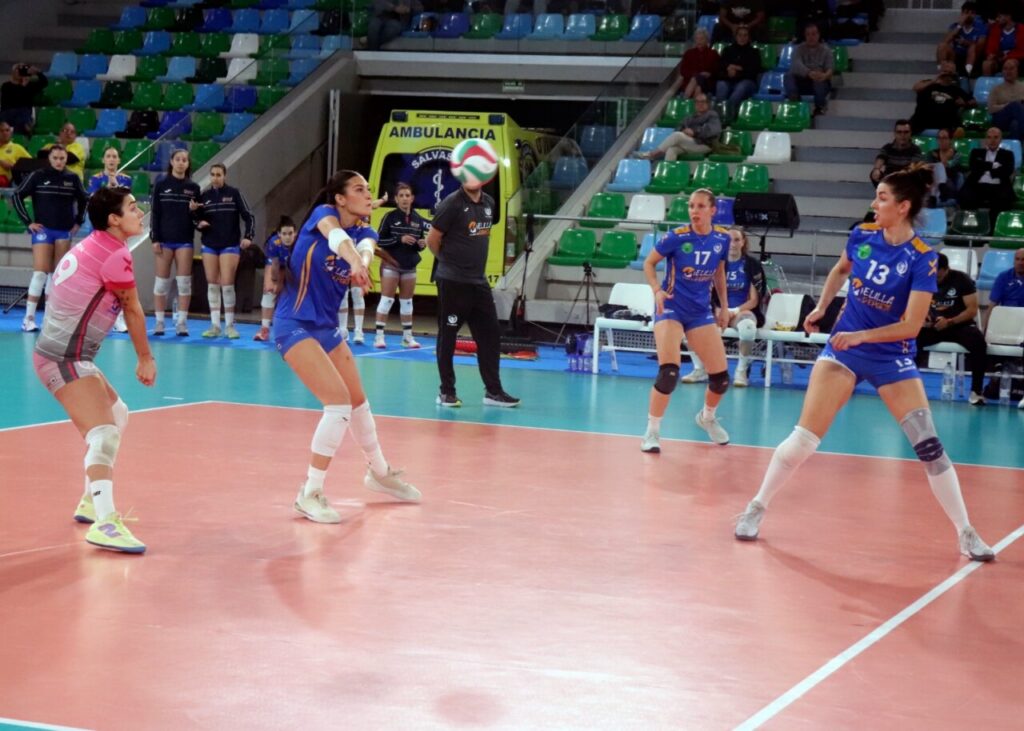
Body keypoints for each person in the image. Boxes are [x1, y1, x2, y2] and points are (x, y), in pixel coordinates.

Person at [734, 164, 995, 562]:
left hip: (891, 356)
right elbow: (841, 270)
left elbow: (910, 325)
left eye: (883, 199)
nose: (874, 204)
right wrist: (822, 307)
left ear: (903, 207)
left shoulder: (922, 259)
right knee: (803, 439)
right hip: (844, 353)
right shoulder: (863, 235)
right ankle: (757, 506)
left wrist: (861, 334)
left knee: (930, 447)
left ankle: (966, 532)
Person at [273, 170, 420, 523]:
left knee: (358, 402)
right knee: (337, 403)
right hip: (294, 323)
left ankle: (379, 472)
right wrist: (353, 260)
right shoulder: (322, 216)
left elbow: (365, 248)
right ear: (339, 198)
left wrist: (363, 263)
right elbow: (336, 238)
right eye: (358, 190)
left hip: (325, 327)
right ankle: (309, 492)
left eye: (369, 190)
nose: (368, 195)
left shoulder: (365, 231)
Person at [33, 186, 155, 554]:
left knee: (117, 413)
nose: (140, 213)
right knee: (103, 433)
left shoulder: (90, 244)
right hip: (63, 357)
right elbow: (132, 309)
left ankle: (89, 500)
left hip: (68, 353)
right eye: (133, 208)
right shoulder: (115, 255)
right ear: (114, 220)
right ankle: (105, 522)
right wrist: (145, 358)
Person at [640, 188, 733, 452]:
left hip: (700, 311)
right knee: (669, 373)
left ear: (713, 210)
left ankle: (707, 418)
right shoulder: (677, 237)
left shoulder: (722, 239)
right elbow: (649, 263)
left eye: (701, 206)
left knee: (721, 379)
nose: (694, 211)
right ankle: (652, 432)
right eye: (691, 206)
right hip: (670, 307)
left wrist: (724, 308)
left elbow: (718, 273)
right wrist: (657, 290)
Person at [428, 174, 519, 408]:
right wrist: (448, 262)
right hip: (452, 282)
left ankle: (493, 392)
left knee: (490, 336)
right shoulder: (451, 203)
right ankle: (446, 392)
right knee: (448, 336)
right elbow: (432, 239)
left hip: (478, 283)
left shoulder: (489, 203)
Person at [12, 145, 89, 332]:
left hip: (64, 231)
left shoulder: (72, 178)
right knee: (40, 273)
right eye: (55, 158)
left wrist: (78, 221)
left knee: (56, 276)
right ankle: (28, 318)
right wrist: (28, 222)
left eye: (62, 158)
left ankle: (49, 318)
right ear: (50, 158)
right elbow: (17, 195)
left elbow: (84, 199)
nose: (59, 161)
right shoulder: (38, 176)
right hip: (43, 231)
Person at [915, 253, 989, 404]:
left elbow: (972, 310)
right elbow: (918, 303)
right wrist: (925, 318)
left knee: (979, 343)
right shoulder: (923, 277)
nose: (934, 276)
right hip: (934, 326)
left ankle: (976, 392)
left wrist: (949, 321)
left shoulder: (962, 280)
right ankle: (909, 388)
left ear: (945, 269)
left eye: (937, 273)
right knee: (910, 340)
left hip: (959, 325)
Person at [193, 163, 254, 339]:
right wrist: (198, 221)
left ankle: (229, 326)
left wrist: (248, 236)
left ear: (224, 176)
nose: (215, 178)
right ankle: (215, 325)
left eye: (219, 174)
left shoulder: (234, 193)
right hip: (209, 244)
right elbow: (196, 219)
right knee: (212, 285)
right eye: (212, 174)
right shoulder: (204, 196)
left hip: (230, 244)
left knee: (227, 285)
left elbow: (248, 216)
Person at [151, 148, 201, 337]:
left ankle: (181, 322)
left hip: (185, 241)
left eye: (184, 160)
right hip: (164, 240)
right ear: (172, 161)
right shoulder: (161, 184)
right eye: (178, 159)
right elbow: (155, 213)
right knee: (161, 284)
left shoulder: (193, 188)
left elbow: (198, 217)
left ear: (188, 164)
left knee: (184, 283)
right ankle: (159, 322)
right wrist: (155, 239)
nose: (181, 162)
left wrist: (195, 212)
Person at [374, 182, 428, 349]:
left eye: (407, 195)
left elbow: (419, 243)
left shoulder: (418, 219)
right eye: (401, 196)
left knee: (407, 302)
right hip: (391, 264)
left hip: (409, 266)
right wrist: (399, 239)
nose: (405, 199)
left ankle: (407, 337)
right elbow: (378, 240)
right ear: (396, 199)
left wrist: (422, 244)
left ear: (412, 198)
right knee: (387, 300)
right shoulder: (389, 217)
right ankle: (379, 337)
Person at [711, 227, 765, 388]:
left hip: (741, 311)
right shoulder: (714, 263)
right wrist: (717, 311)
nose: (732, 244)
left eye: (736, 240)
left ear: (743, 242)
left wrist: (733, 312)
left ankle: (741, 370)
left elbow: (754, 300)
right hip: (718, 312)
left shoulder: (751, 265)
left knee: (748, 327)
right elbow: (705, 293)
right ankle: (700, 369)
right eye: (729, 240)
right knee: (690, 325)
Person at [986, 246, 1024, 408]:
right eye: (1017, 259)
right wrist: (986, 330)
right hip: (1005, 327)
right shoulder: (1003, 277)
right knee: (982, 341)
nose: (1020, 263)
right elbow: (992, 306)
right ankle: (994, 380)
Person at [636, 94, 722, 161]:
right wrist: (684, 131)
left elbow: (713, 130)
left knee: (677, 135)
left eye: (703, 102)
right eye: (697, 102)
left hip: (704, 145)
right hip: (689, 143)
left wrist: (694, 132)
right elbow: (679, 127)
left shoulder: (712, 115)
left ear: (708, 103)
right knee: (671, 150)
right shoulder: (690, 117)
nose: (700, 104)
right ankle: (668, 175)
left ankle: (652, 155)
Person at [254, 215, 297, 342]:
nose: (288, 237)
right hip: (277, 265)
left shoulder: (301, 242)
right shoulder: (274, 243)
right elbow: (274, 266)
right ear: (279, 234)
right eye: (284, 234)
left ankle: (295, 329)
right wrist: (275, 283)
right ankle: (264, 329)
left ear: (295, 233)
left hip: (294, 267)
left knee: (296, 294)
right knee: (269, 291)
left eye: (290, 233)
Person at [958, 126, 1015, 218]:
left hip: (998, 186)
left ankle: (993, 227)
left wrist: (983, 165)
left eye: (996, 137)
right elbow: (974, 168)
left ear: (1001, 139)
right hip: (977, 185)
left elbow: (1007, 171)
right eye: (989, 137)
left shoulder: (1007, 154)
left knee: (1004, 198)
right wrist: (993, 165)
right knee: (965, 195)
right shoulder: (976, 152)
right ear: (985, 139)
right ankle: (972, 225)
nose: (992, 140)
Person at [909, 60, 975, 135]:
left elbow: (973, 102)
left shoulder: (956, 90)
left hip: (945, 126)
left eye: (950, 73)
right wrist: (934, 81)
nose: (947, 75)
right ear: (940, 71)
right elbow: (916, 88)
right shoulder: (929, 84)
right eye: (945, 71)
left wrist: (964, 103)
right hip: (923, 124)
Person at [785, 22, 834, 116]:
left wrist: (824, 75)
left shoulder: (826, 50)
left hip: (820, 81)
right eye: (808, 34)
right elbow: (796, 64)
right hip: (803, 80)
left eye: (814, 34)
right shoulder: (799, 49)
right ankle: (795, 104)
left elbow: (830, 68)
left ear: (819, 35)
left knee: (818, 80)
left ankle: (819, 108)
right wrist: (809, 73)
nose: (811, 37)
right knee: (788, 75)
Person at [715, 26, 761, 111]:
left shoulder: (754, 52)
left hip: (747, 81)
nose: (742, 38)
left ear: (749, 37)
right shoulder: (727, 50)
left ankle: (729, 114)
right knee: (721, 85)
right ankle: (719, 114)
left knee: (741, 88)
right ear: (736, 37)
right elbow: (720, 65)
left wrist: (737, 71)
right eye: (740, 35)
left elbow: (753, 71)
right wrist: (729, 67)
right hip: (728, 79)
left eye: (745, 35)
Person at [937, 1, 989, 77]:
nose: (969, 15)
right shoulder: (954, 26)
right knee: (942, 46)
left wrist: (966, 43)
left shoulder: (981, 27)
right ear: (962, 13)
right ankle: (941, 72)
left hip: (973, 56)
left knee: (972, 47)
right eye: (966, 12)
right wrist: (959, 26)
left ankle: (967, 72)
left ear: (975, 15)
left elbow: (981, 45)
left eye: (972, 13)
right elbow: (946, 41)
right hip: (956, 55)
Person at [870, 119, 923, 186]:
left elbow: (913, 169)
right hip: (890, 182)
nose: (902, 135)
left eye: (906, 132)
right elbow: (881, 158)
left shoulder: (916, 150)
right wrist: (876, 169)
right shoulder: (888, 148)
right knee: (874, 174)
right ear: (895, 133)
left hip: (906, 182)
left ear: (910, 133)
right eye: (899, 132)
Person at [0, 64, 47, 135]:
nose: (20, 71)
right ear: (13, 73)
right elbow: (15, 99)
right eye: (17, 69)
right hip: (8, 112)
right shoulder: (6, 86)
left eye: (22, 70)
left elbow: (44, 82)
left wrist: (38, 72)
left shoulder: (29, 86)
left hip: (23, 112)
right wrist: (23, 86)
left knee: (23, 117)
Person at [981, 5, 1024, 77]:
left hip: (1015, 58)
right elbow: (990, 48)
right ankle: (988, 87)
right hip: (998, 58)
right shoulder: (995, 28)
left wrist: (1008, 56)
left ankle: (1009, 86)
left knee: (1009, 64)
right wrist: (991, 55)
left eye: (1000, 17)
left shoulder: (1021, 29)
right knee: (986, 64)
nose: (997, 19)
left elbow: (1022, 51)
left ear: (1008, 17)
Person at [987, 57, 1024, 139]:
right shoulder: (996, 89)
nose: (1008, 71)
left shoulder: (1023, 86)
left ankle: (1015, 150)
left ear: (1017, 71)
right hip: (1001, 120)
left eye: (1011, 68)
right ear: (1002, 72)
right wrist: (1007, 106)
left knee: (1015, 125)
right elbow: (991, 108)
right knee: (1014, 105)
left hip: (1019, 119)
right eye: (1005, 69)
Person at [679, 27, 720, 99]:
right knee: (697, 85)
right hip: (691, 83)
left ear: (707, 40)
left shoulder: (713, 54)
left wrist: (710, 74)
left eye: (701, 39)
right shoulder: (689, 53)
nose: (699, 41)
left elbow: (718, 70)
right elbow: (683, 71)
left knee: (697, 80)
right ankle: (693, 106)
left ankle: (685, 100)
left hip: (707, 83)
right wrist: (697, 74)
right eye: (697, 39)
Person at [927, 127, 965, 202]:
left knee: (946, 182)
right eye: (939, 138)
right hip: (933, 183)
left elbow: (951, 173)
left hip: (949, 185)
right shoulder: (931, 154)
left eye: (944, 138)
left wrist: (945, 159)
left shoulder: (957, 155)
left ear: (950, 140)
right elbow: (928, 171)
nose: (941, 141)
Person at [0, 120, 31, 187]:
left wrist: (13, 166)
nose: (5, 133)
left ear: (11, 132)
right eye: (1, 131)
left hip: (7, 181)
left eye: (7, 130)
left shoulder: (17, 148)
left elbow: (30, 166)